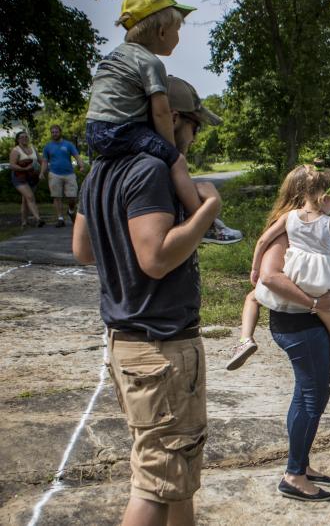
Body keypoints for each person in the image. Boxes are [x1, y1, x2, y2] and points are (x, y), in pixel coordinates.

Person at [72, 75, 221, 526]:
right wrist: (206, 212)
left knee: (175, 468)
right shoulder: (151, 170)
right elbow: (156, 258)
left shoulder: (102, 168)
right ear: (173, 119)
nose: (194, 137)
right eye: (195, 124)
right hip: (162, 347)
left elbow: (82, 249)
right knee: (156, 484)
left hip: (126, 342)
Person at [84, 0, 241, 244]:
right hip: (123, 129)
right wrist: (169, 152)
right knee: (177, 162)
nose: (178, 37)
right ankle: (206, 223)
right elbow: (160, 111)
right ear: (161, 31)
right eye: (177, 30)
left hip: (94, 130)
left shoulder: (112, 57)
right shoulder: (150, 62)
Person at [257, 221, 330, 501]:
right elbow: (271, 277)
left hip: (307, 322)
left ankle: (301, 465)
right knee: (312, 396)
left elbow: (306, 271)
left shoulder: (300, 231)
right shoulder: (284, 233)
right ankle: (294, 477)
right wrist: (313, 303)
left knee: (305, 394)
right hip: (299, 324)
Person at [226, 164, 330, 403]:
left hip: (296, 277)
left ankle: (245, 339)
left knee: (253, 297)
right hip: (323, 283)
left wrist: (254, 268)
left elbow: (263, 240)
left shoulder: (288, 218)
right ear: (325, 198)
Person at [40, 125, 85, 227]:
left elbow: (77, 156)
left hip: (69, 173)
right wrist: (42, 172)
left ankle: (71, 210)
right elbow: (45, 161)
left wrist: (81, 166)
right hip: (54, 174)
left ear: (60, 132)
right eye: (52, 132)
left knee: (72, 197)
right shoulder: (48, 147)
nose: (54, 134)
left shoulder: (68, 145)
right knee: (57, 197)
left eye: (56, 132)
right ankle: (60, 219)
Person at [8, 131, 44, 228]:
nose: (24, 139)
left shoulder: (33, 148)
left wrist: (42, 172)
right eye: (22, 137)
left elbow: (42, 161)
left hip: (32, 177)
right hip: (19, 177)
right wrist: (24, 168)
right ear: (18, 139)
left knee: (26, 200)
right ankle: (38, 219)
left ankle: (24, 223)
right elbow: (12, 165)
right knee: (30, 197)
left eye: (26, 137)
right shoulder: (15, 150)